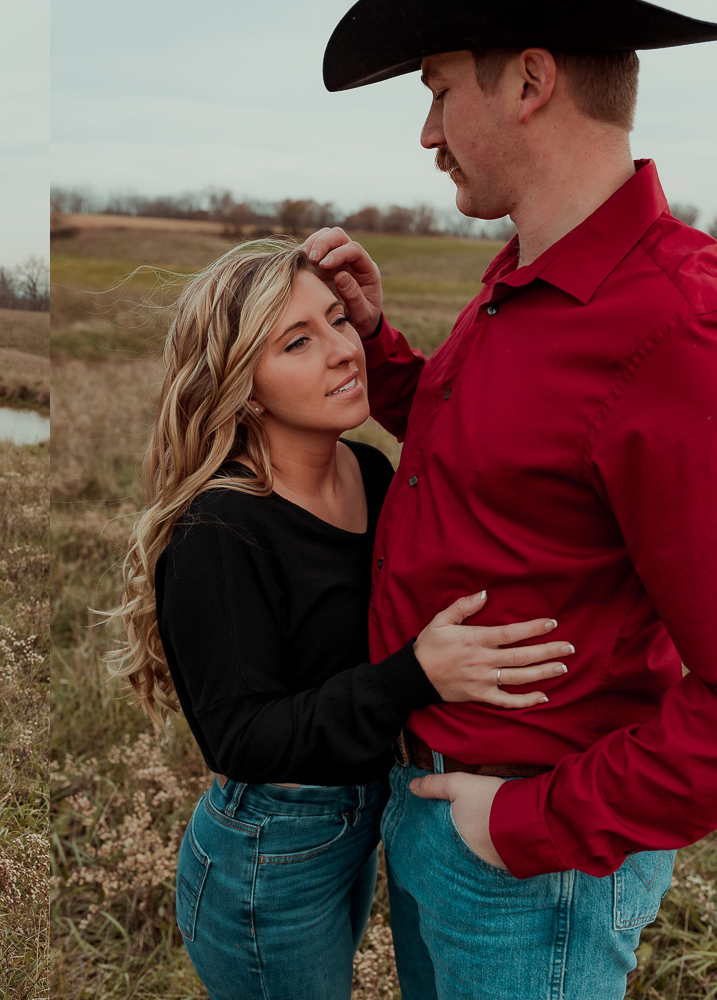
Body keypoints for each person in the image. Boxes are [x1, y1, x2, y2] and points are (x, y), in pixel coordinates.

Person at [304, 2, 717, 996]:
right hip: (435, 799)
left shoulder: (674, 330)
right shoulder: (527, 271)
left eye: (439, 91)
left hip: (531, 861)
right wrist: (378, 350)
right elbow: (505, 466)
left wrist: (524, 824)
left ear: (528, 83)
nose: (428, 132)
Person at [110, 239, 573, 1000]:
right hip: (269, 849)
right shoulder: (220, 531)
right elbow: (241, 736)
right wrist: (415, 677)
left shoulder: (371, 472)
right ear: (244, 386)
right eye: (297, 342)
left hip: (364, 823)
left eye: (337, 321)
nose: (340, 352)